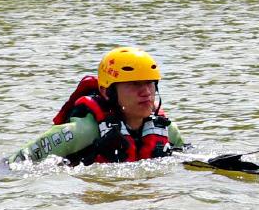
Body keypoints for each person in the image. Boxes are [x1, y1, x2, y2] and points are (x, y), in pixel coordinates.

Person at [12, 48, 184, 165]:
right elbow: (15, 162)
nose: (146, 92)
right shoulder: (82, 131)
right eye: (134, 84)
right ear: (106, 91)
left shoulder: (168, 131)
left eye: (149, 83)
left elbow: (186, 158)